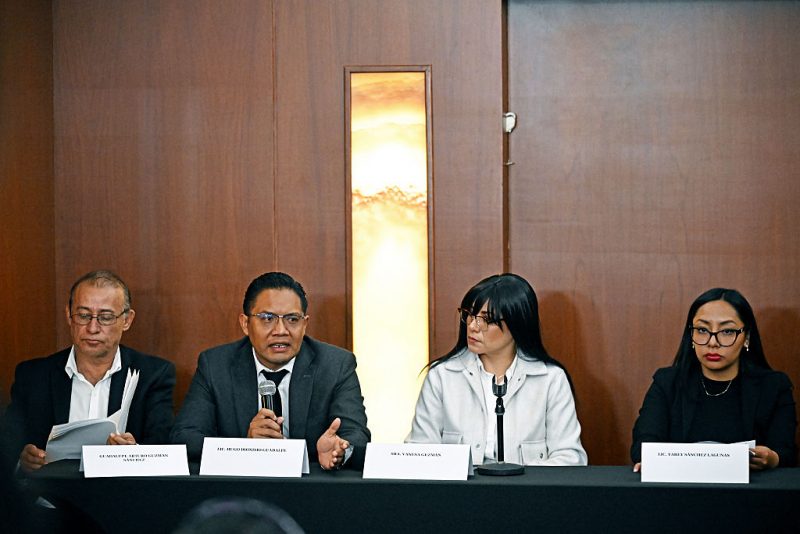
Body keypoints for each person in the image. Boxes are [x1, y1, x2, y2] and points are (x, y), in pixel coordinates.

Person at [170, 272, 370, 469]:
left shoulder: (336, 365)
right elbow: (185, 437)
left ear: (305, 324)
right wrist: (245, 447)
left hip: (310, 490)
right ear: (245, 324)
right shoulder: (216, 365)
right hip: (240, 489)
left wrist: (341, 451)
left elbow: (357, 436)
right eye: (267, 318)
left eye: (292, 319)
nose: (281, 330)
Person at [2, 270, 175, 472]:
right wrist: (22, 462)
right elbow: (8, 449)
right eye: (83, 315)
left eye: (106, 317)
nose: (93, 328)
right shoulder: (33, 376)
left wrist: (133, 453)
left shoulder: (153, 374)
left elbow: (164, 448)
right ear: (69, 315)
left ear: (127, 320)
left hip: (121, 497)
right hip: (48, 498)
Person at [406, 273, 587, 466]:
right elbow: (419, 452)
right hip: (459, 494)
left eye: (487, 320)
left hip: (526, 494)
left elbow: (570, 458)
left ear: (517, 325)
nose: (473, 326)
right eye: (470, 315)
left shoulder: (550, 379)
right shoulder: (441, 376)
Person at [631, 288, 798, 471]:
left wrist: (773, 458)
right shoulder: (667, 383)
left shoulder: (773, 387)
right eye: (702, 330)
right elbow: (643, 446)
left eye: (726, 331)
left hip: (750, 495)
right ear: (691, 337)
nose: (713, 342)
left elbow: (786, 452)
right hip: (679, 492)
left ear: (746, 337)